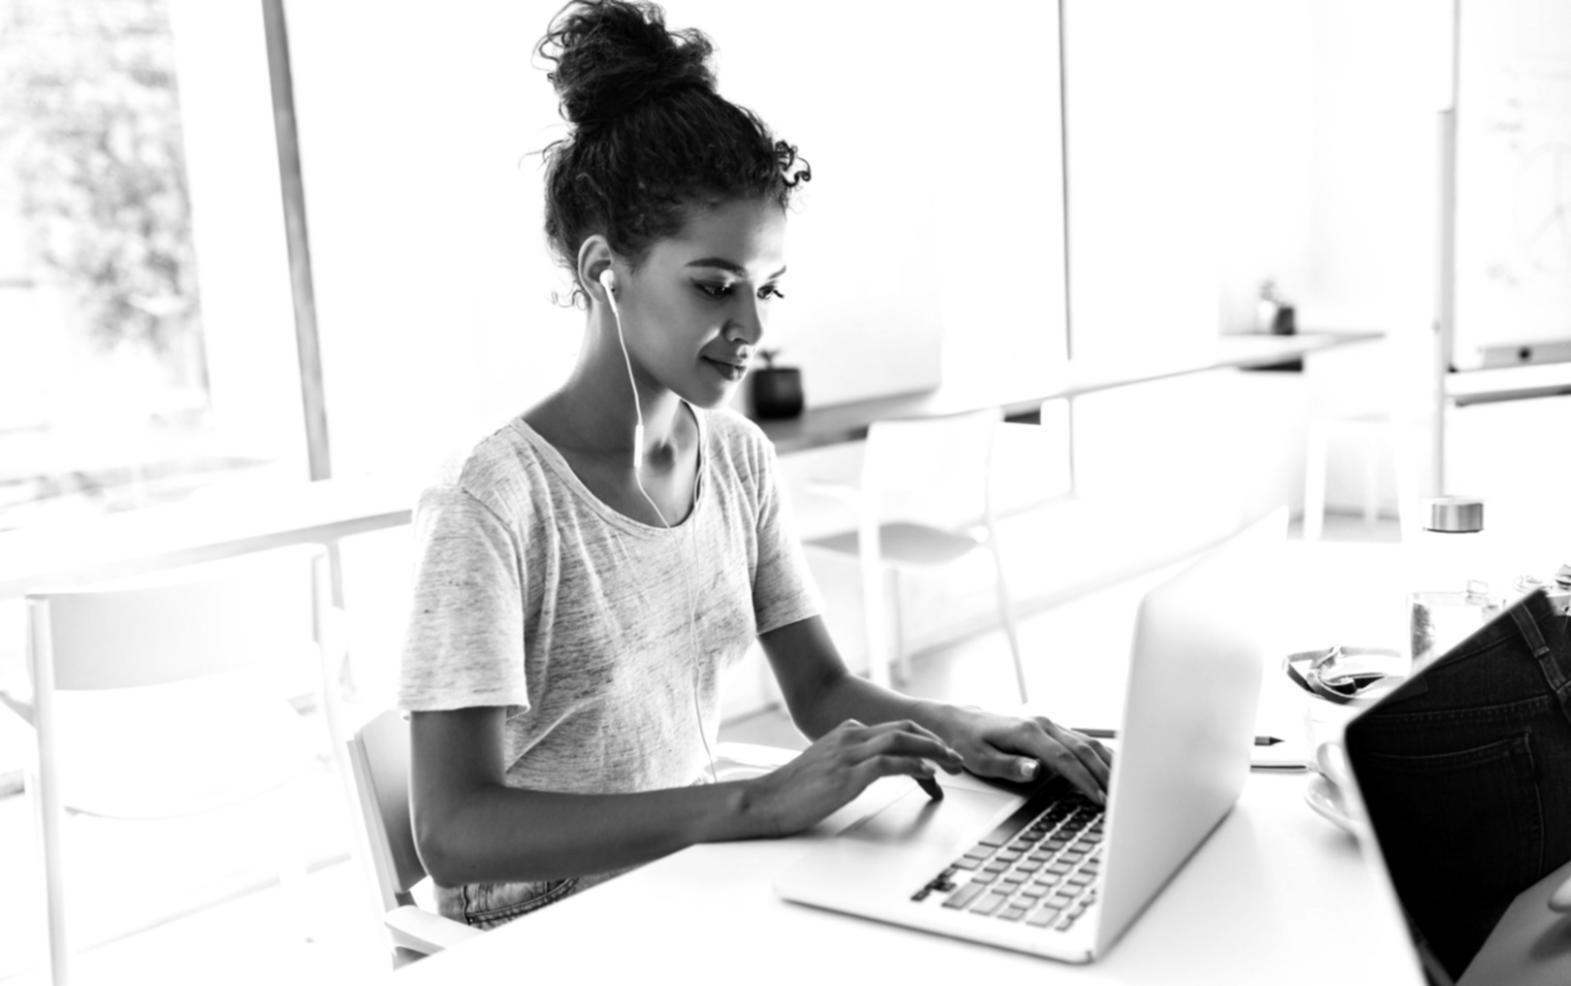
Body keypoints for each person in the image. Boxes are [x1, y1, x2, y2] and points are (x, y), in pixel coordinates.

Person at [398, 0, 1111, 930]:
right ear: (604, 269)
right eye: (713, 285)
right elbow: (453, 833)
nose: (752, 328)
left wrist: (964, 727)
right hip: (544, 931)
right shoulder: (491, 499)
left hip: (686, 885)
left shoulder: (735, 458)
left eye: (763, 287)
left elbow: (819, 691)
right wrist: (753, 803)